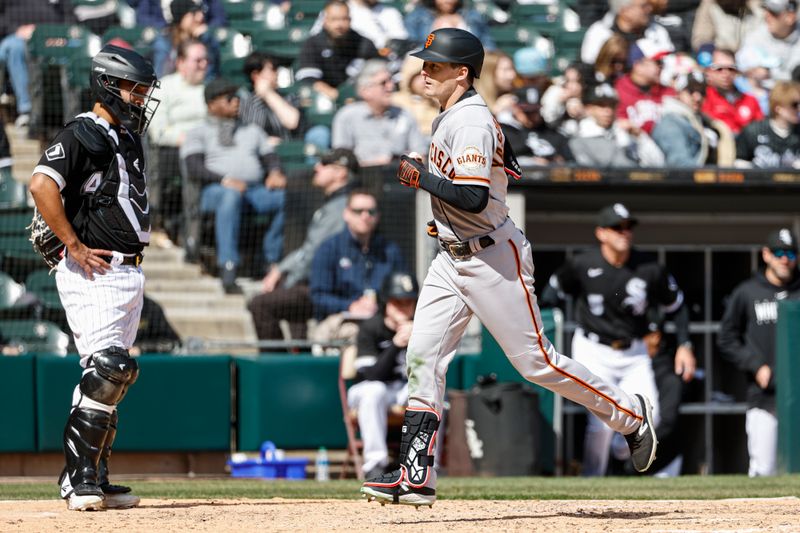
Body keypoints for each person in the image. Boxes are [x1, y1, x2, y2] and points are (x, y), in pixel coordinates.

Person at [360, 29, 658, 508]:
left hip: (491, 257)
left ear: (462, 72)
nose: (424, 71)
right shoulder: (456, 114)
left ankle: (630, 416)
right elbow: (497, 172)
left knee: (536, 363)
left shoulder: (471, 119)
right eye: (425, 63)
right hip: (451, 258)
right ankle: (416, 475)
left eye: (435, 65)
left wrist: (423, 180)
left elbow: (475, 197)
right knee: (422, 357)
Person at [28, 44, 160, 511]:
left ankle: (93, 475)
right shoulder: (83, 132)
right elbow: (41, 184)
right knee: (109, 368)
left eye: (145, 90)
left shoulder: (125, 136)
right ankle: (78, 478)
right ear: (108, 84)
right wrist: (75, 245)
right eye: (135, 88)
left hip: (127, 272)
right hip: (94, 268)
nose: (141, 98)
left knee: (110, 378)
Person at [540, 203, 695, 476]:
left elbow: (676, 306)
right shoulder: (582, 263)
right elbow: (552, 292)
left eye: (627, 227)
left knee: (651, 417)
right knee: (599, 423)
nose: (624, 233)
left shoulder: (648, 267)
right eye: (617, 228)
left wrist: (684, 344)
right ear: (601, 233)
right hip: (593, 347)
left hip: (634, 351)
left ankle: (620, 452)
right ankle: (592, 479)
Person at [181, 78, 287, 293]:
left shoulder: (252, 130)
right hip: (215, 191)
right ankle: (228, 267)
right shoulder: (198, 131)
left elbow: (269, 156)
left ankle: (269, 259)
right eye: (229, 98)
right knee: (230, 195)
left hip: (252, 191)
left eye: (237, 97)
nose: (236, 102)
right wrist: (224, 180)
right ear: (211, 104)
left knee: (285, 197)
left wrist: (275, 172)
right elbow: (193, 167)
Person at [247, 148, 359, 344]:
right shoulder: (334, 204)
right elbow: (308, 249)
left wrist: (285, 278)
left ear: (341, 172)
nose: (317, 167)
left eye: (324, 164)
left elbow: (313, 254)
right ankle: (298, 358)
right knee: (290, 296)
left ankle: (280, 365)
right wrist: (281, 270)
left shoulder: (342, 207)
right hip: (317, 284)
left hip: (329, 288)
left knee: (259, 304)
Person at [718, 227, 800, 476]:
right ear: (766, 255)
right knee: (763, 469)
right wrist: (755, 365)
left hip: (798, 394)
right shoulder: (747, 292)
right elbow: (727, 337)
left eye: (790, 253)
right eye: (778, 252)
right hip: (764, 394)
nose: (785, 259)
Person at [347, 271, 418, 479]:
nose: (404, 307)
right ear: (385, 302)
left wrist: (420, 340)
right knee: (374, 391)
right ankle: (375, 464)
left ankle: (426, 465)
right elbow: (372, 374)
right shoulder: (370, 327)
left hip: (402, 390)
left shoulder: (422, 329)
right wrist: (397, 344)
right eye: (397, 302)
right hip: (368, 388)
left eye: (408, 302)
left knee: (432, 392)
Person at [308, 190, 407, 339]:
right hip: (339, 321)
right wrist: (351, 306)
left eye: (371, 211)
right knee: (359, 334)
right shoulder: (329, 249)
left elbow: (404, 291)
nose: (365, 216)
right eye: (358, 211)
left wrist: (381, 304)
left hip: (382, 318)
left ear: (378, 216)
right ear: (346, 214)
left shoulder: (390, 250)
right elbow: (318, 296)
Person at [147, 39, 209, 245]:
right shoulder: (163, 88)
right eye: (198, 60)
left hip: (209, 151)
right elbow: (158, 131)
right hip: (173, 152)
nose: (204, 64)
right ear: (181, 62)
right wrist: (188, 140)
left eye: (205, 60)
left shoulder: (210, 90)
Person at [332, 60, 428, 167]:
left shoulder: (404, 114)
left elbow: (421, 155)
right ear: (365, 90)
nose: (390, 87)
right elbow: (341, 160)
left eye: (390, 81)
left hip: (399, 178)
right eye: (383, 83)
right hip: (362, 179)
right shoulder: (347, 116)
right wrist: (376, 164)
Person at [0, 0, 75, 129]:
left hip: (52, 38)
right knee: (13, 48)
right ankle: (27, 110)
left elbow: (70, 16)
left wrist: (61, 34)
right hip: (18, 37)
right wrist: (17, 29)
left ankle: (70, 115)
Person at [294, 0, 380, 103]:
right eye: (334, 19)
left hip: (360, 99)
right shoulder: (313, 44)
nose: (339, 25)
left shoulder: (364, 43)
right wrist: (336, 95)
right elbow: (308, 79)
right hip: (325, 100)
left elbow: (379, 74)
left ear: (350, 20)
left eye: (344, 19)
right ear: (325, 21)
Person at [498, 87, 575, 167]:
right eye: (527, 112)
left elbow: (572, 164)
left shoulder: (556, 135)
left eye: (534, 111)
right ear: (515, 108)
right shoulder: (506, 133)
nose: (531, 116)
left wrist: (555, 163)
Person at [581, 0, 674, 65]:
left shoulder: (658, 32)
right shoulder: (599, 33)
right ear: (624, 10)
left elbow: (669, 64)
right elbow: (590, 67)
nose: (649, 9)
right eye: (643, 6)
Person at [614, 40, 675, 137]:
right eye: (657, 62)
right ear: (638, 65)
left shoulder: (668, 92)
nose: (662, 67)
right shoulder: (618, 90)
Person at [239, 51, 303, 144]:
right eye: (273, 69)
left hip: (287, 152)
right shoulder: (244, 103)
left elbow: (292, 122)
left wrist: (268, 94)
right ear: (256, 75)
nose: (276, 73)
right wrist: (265, 142)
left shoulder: (289, 98)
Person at [734, 80, 800, 168]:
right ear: (778, 108)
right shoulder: (753, 131)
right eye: (794, 105)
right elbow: (739, 163)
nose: (799, 109)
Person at [151, 0, 221, 80]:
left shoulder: (206, 38)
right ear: (181, 18)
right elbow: (162, 75)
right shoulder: (165, 42)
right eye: (193, 14)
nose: (200, 17)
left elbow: (211, 75)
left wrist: (204, 40)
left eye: (200, 12)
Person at [701, 48, 764, 134]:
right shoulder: (702, 99)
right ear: (708, 72)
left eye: (731, 69)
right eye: (719, 69)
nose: (726, 73)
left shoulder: (750, 100)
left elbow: (761, 131)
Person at [737, 0, 800, 82]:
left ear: (790, 18)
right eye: (766, 10)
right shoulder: (756, 36)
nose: (767, 16)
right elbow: (743, 67)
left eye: (774, 13)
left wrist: (771, 74)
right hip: (759, 92)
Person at [404, 0, 496, 51]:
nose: (448, 1)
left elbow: (487, 45)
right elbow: (414, 47)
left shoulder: (472, 16)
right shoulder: (418, 17)